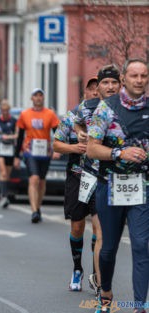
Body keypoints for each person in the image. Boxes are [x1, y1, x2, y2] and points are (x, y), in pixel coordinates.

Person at [87, 58, 149, 313]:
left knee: (141, 244)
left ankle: (139, 305)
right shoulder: (106, 109)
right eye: (134, 76)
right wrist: (119, 154)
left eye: (143, 76)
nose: (139, 80)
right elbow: (91, 148)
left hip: (141, 186)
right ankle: (107, 290)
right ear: (124, 79)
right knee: (109, 248)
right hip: (109, 185)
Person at [74, 65, 122, 297]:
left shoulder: (130, 107)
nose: (109, 87)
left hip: (127, 178)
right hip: (95, 176)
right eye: (104, 83)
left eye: (114, 82)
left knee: (138, 241)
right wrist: (80, 132)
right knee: (99, 231)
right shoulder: (88, 108)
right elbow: (71, 123)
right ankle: (103, 288)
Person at [52, 76, 102, 293]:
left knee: (99, 228)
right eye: (91, 90)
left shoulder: (107, 116)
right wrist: (75, 148)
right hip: (77, 175)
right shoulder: (72, 116)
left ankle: (96, 273)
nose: (95, 93)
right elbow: (56, 144)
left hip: (100, 177)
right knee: (77, 226)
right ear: (85, 92)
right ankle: (77, 268)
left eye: (97, 89)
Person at [14, 88, 60, 223]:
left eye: (40, 95)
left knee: (41, 181)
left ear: (43, 98)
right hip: (30, 151)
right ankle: (34, 210)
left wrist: (57, 149)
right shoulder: (25, 114)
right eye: (35, 95)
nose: (38, 98)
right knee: (33, 179)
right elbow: (20, 136)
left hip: (45, 152)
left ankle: (38, 207)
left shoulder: (50, 114)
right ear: (32, 98)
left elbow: (57, 133)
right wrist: (16, 156)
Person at [0, 99, 17, 208]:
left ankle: (4, 192)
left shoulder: (14, 121)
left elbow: (17, 135)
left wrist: (9, 137)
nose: (5, 112)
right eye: (3, 110)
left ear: (9, 110)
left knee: (7, 175)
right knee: (3, 173)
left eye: (7, 110)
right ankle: (3, 196)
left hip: (10, 150)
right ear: (1, 110)